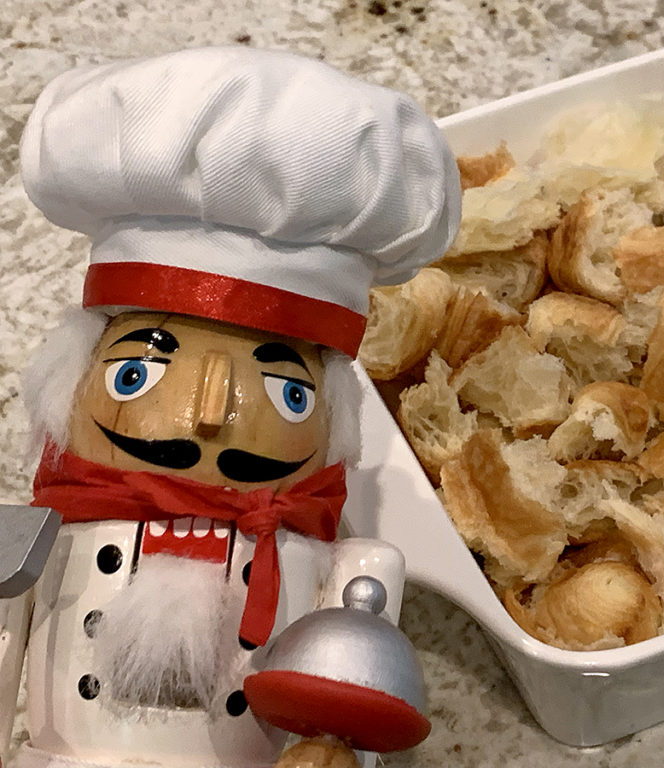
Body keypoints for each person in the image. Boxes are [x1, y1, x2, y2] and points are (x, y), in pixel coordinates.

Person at [3, 45, 461, 768]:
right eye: (137, 374)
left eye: (289, 393)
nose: (210, 411)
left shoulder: (348, 565)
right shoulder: (35, 538)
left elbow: (347, 714)